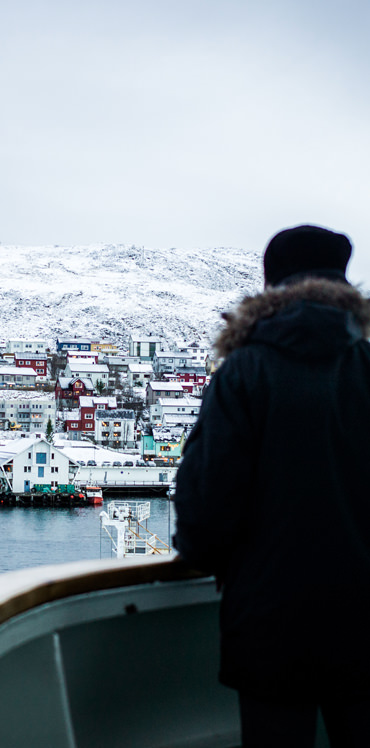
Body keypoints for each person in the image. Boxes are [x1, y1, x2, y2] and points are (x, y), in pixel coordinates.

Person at [174, 224, 370, 748]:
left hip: (270, 624)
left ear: (270, 288)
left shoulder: (244, 373)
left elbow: (205, 503)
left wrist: (203, 555)